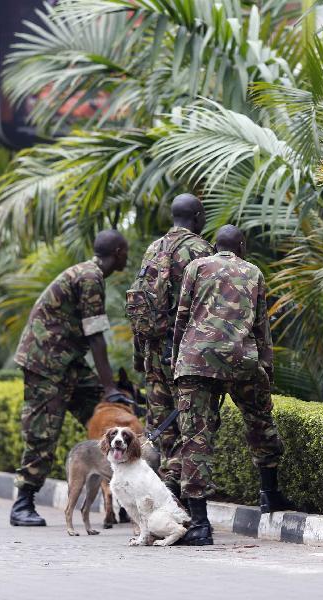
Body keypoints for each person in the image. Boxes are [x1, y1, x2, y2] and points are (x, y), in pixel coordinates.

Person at [171, 225, 293, 546]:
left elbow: (182, 318)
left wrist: (177, 364)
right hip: (242, 359)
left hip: (196, 360)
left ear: (215, 245)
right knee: (260, 422)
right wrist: (267, 368)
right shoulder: (253, 272)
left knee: (196, 437)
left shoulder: (195, 267)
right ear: (241, 246)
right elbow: (262, 325)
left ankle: (199, 525)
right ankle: (270, 494)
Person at [10, 230, 129, 527]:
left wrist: (109, 392)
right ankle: (22, 503)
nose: (127, 256)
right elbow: (96, 334)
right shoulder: (90, 277)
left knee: (106, 416)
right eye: (125, 251)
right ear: (117, 251)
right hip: (45, 363)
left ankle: (123, 498)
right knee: (43, 432)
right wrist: (110, 386)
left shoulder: (90, 274)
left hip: (68, 363)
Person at [130, 193, 213, 500]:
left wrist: (140, 357)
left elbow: (139, 304)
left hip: (152, 352)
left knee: (164, 426)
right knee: (191, 424)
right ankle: (179, 491)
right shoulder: (200, 250)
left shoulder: (154, 248)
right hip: (183, 354)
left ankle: (167, 484)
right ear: (196, 216)